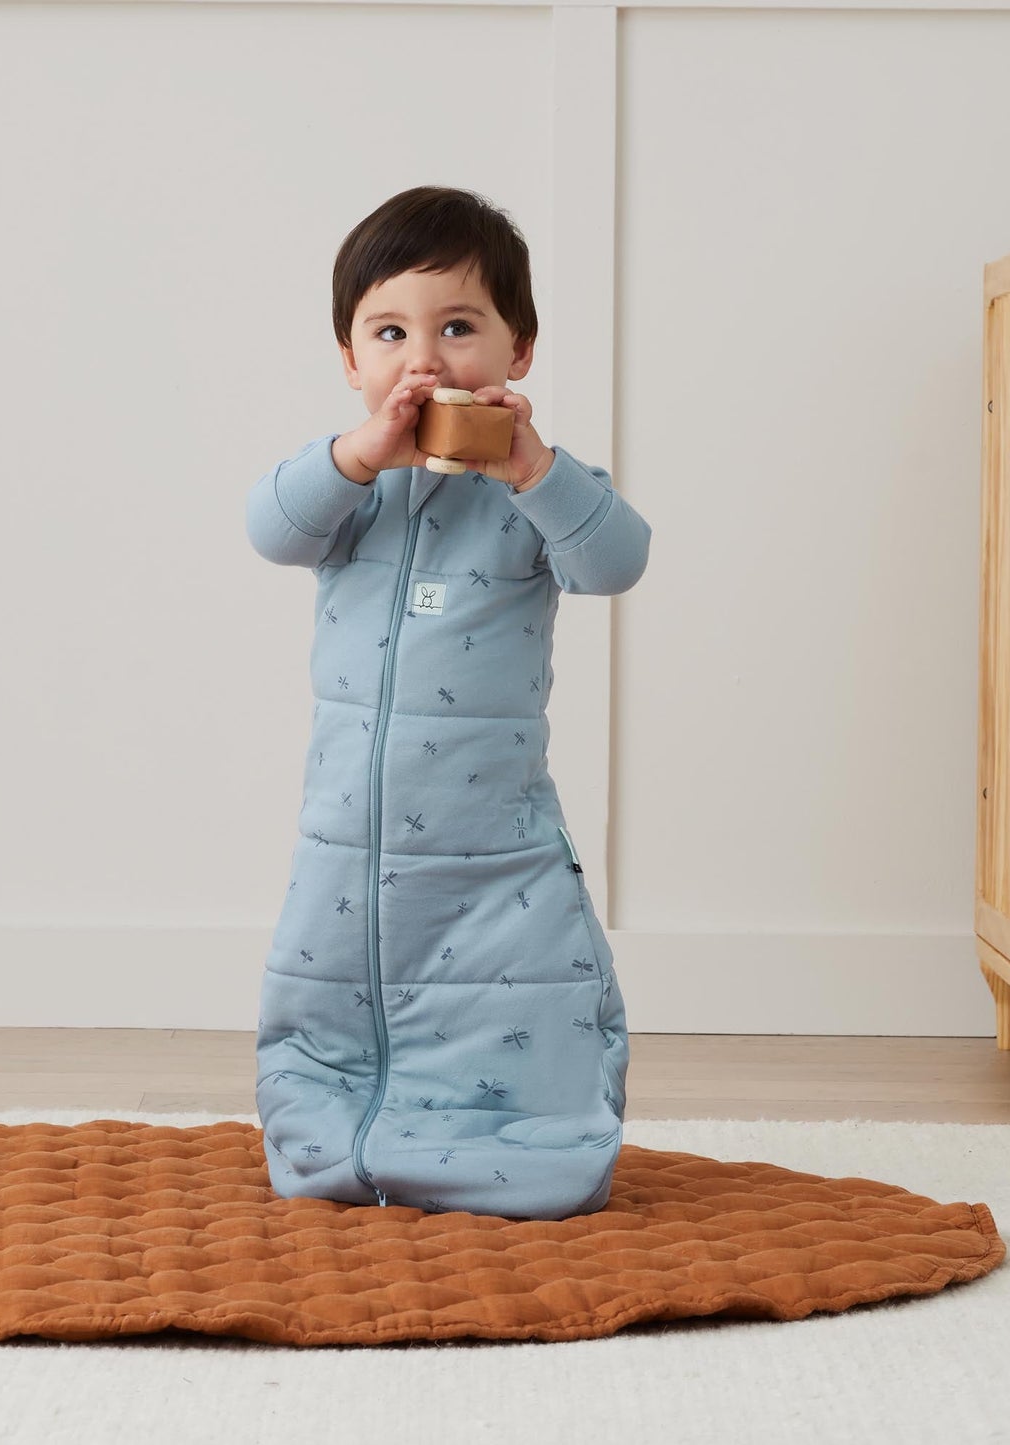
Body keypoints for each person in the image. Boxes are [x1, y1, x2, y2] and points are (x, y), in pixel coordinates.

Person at [245, 185, 652, 1220]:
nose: (423, 358)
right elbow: (270, 528)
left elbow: (614, 561)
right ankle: (350, 1138)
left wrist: (533, 469)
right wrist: (357, 454)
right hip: (352, 841)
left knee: (513, 997)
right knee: (339, 1005)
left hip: (490, 846)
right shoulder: (349, 491)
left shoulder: (533, 491)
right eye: (389, 333)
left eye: (458, 327)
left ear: (520, 349)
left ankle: (504, 1146)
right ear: (351, 361)